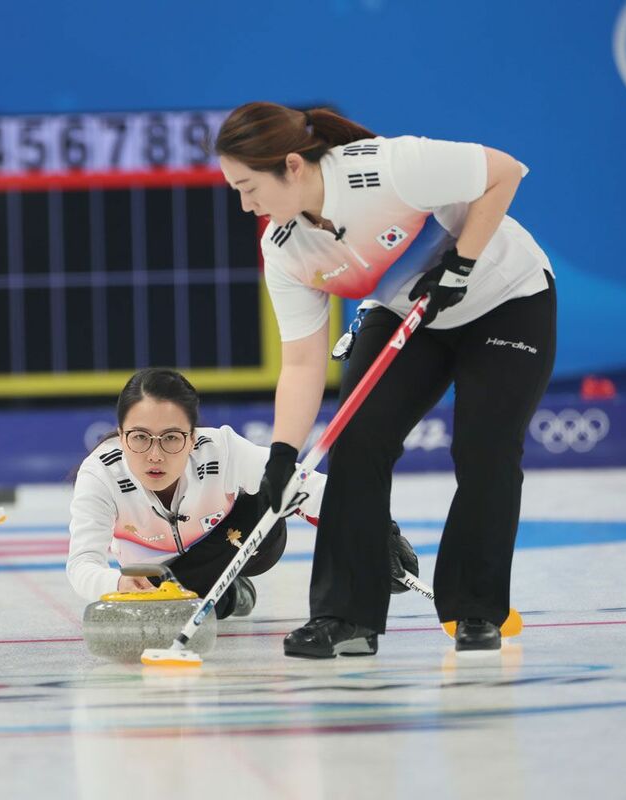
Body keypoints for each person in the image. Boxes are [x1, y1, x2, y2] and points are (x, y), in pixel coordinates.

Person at [215, 102, 555, 657]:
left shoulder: (389, 167)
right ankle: (344, 615)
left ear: (293, 167)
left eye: (248, 186)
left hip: (505, 298)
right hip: (406, 312)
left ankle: (475, 608)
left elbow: (505, 171)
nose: (244, 203)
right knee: (358, 442)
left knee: (484, 445)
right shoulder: (284, 249)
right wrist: (283, 453)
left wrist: (462, 263)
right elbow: (302, 361)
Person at [66, 368, 416, 620]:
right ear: (120, 433)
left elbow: (303, 484)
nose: (155, 455)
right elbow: (82, 565)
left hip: (252, 542)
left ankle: (228, 583)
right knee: (174, 603)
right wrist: (119, 582)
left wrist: (375, 531)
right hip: (166, 575)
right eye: (139, 437)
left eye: (171, 437)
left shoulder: (221, 449)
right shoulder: (99, 476)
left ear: (192, 438)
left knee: (273, 488)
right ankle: (231, 594)